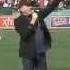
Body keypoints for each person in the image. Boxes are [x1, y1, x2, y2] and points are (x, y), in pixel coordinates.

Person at [14, 0, 61, 70]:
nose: (30, 7)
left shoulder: (37, 15)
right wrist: (33, 20)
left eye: (31, 5)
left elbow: (49, 8)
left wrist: (56, 1)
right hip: (28, 54)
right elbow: (25, 35)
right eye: (28, 5)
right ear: (21, 9)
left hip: (40, 51)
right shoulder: (19, 20)